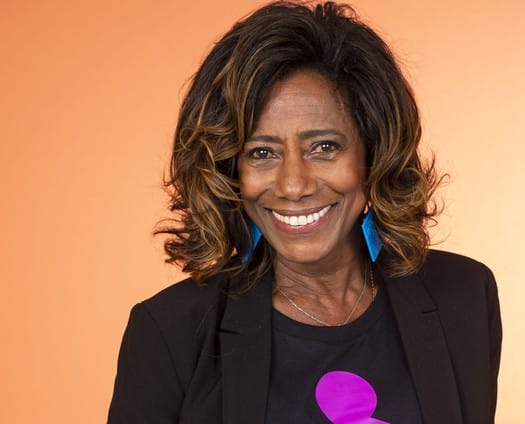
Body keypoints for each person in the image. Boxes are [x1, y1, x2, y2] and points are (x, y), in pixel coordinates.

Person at [107, 1, 502, 423]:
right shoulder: (171, 332)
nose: (294, 185)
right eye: (261, 152)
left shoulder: (463, 296)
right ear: (230, 170)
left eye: (324, 147)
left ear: (373, 152)